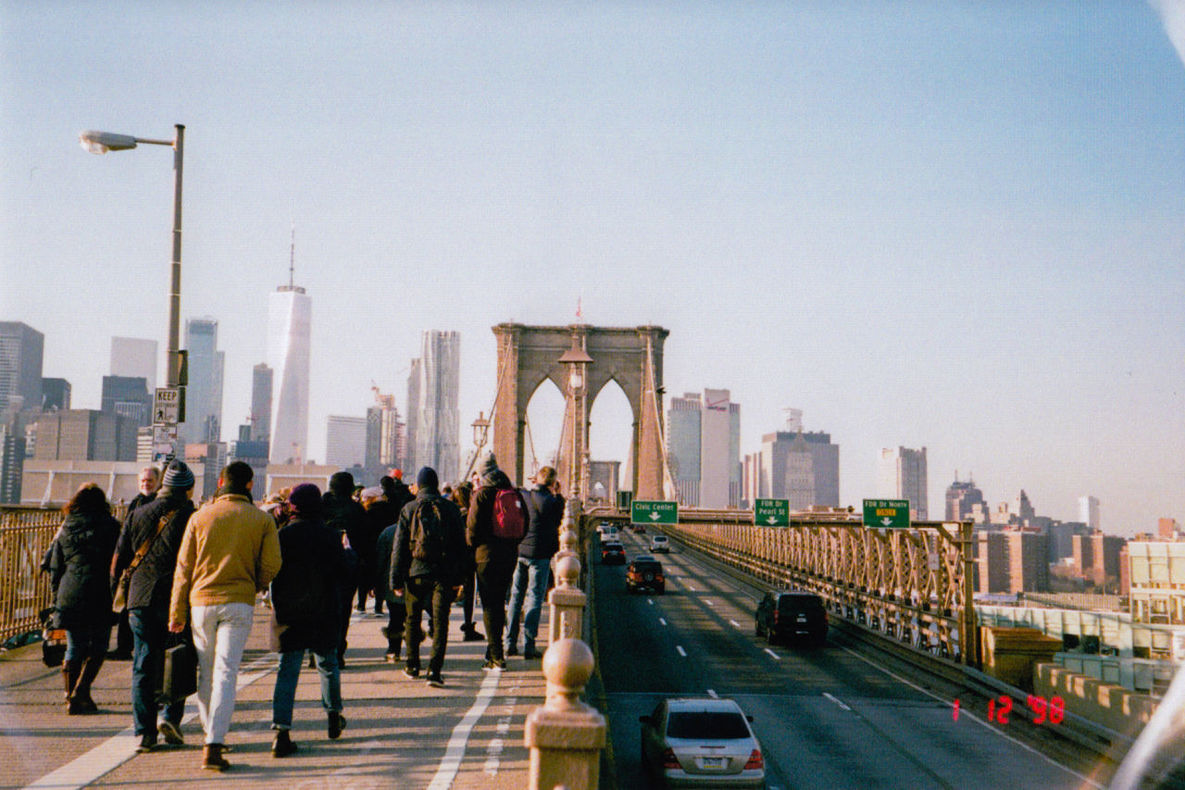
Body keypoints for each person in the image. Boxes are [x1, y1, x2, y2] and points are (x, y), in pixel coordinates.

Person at [168, 461, 282, 772]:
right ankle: (214, 743)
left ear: (221, 482)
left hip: (200, 603)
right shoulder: (261, 520)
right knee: (227, 671)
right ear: (249, 485)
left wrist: (176, 611)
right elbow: (273, 563)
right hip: (238, 603)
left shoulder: (199, 517)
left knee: (206, 672)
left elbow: (183, 568)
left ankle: (211, 734)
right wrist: (255, 584)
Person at [110, 461, 196, 752]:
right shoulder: (192, 517)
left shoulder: (136, 514)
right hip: (175, 599)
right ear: (188, 490)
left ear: (163, 486)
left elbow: (119, 561)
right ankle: (170, 717)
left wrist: (116, 598)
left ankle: (144, 733)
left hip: (140, 599)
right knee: (179, 656)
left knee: (143, 663)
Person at [268, 484, 355, 757]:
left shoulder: (282, 536)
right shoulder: (330, 536)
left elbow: (272, 574)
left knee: (287, 670)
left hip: (289, 614)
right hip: (323, 610)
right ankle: (333, 716)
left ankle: (282, 731)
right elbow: (345, 572)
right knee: (327, 664)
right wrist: (348, 551)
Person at [44, 483, 121, 714]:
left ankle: (69, 697)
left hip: (71, 590)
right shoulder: (111, 526)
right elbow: (119, 562)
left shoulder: (66, 527)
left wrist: (56, 597)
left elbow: (56, 566)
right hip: (101, 592)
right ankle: (82, 690)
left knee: (75, 646)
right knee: (99, 646)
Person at [390, 467, 467, 687]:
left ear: (419, 485)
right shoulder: (451, 508)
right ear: (436, 483)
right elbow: (460, 546)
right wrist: (459, 578)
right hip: (442, 574)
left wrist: (395, 580)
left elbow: (399, 547)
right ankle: (434, 671)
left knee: (412, 620)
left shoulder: (409, 508)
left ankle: (412, 665)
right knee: (440, 621)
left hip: (415, 572)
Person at [466, 452, 528, 670]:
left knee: (490, 606)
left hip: (486, 556)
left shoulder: (482, 494)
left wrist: (473, 547)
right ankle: (492, 651)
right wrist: (511, 543)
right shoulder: (513, 492)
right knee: (500, 602)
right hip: (509, 554)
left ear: (483, 473)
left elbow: (472, 530)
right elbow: (524, 525)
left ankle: (496, 657)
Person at [505, 466, 565, 660]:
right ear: (553, 482)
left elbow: (516, 490)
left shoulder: (523, 495)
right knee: (535, 597)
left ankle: (509, 643)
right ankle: (529, 646)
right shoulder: (554, 502)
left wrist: (534, 486)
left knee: (516, 596)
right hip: (540, 554)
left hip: (520, 550)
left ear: (537, 479)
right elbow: (558, 519)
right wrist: (557, 492)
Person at [110, 465, 161, 661]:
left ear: (157, 483)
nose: (146, 484)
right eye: (143, 481)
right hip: (134, 561)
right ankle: (124, 646)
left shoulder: (152, 503)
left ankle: (131, 647)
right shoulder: (136, 502)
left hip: (148, 562)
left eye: (149, 481)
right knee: (127, 605)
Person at [323, 471, 365, 664]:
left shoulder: (321, 507)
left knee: (320, 608)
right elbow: (366, 541)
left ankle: (318, 651)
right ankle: (338, 652)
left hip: (322, 566)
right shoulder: (356, 510)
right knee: (343, 609)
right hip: (348, 567)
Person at [450, 482, 484, 642]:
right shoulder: (471, 514)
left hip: (452, 557)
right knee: (470, 592)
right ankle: (468, 626)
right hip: (469, 556)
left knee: (445, 592)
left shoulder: (451, 513)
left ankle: (434, 624)